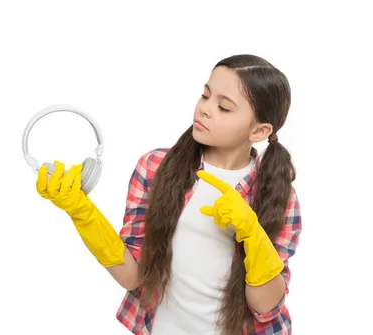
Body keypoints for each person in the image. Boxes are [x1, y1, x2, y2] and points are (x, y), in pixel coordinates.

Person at [35, 54, 302, 335]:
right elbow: (132, 276)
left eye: (224, 107)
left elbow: (265, 304)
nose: (205, 109)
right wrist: (81, 211)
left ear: (259, 131)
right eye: (205, 95)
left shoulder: (279, 196)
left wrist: (252, 233)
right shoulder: (155, 168)